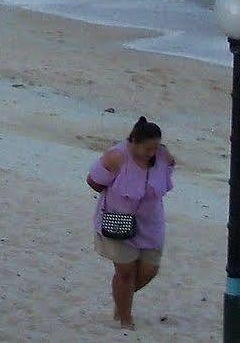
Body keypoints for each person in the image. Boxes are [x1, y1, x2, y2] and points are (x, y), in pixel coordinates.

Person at [88, 116, 172, 329]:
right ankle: (125, 317)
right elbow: (94, 181)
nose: (152, 153)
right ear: (133, 142)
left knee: (149, 271)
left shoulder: (163, 156)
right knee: (125, 272)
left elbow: (169, 170)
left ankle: (121, 300)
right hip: (119, 221)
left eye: (155, 148)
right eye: (147, 149)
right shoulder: (116, 157)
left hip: (151, 223)